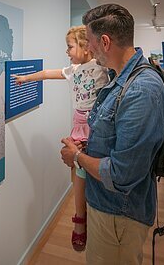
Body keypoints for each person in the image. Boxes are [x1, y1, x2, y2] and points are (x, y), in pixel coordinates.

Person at [60, 4, 164, 264]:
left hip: (118, 216)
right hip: (110, 210)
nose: (88, 48)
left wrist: (77, 157)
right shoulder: (120, 78)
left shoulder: (140, 91)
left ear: (105, 42)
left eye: (89, 41)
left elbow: (123, 174)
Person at [12, 25, 110, 252]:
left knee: (93, 169)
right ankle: (80, 218)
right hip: (78, 124)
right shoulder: (73, 70)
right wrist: (25, 78)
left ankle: (93, 215)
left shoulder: (100, 66)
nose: (66, 51)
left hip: (97, 124)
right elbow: (47, 73)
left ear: (86, 47)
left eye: (70, 46)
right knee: (78, 170)